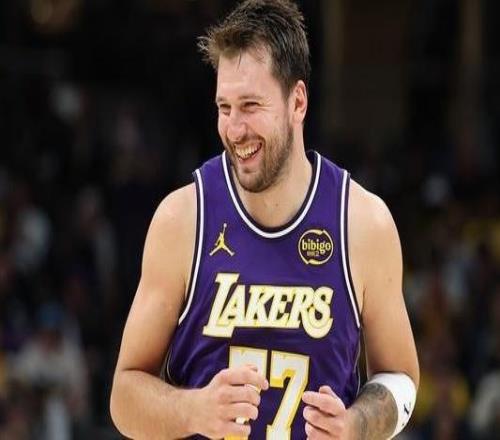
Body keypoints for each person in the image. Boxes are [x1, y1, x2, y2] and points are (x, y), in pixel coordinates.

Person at [110, 0, 419, 438]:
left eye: (251, 105)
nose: (235, 129)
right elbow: (123, 396)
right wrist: (192, 410)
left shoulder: (363, 223)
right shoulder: (182, 219)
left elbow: (401, 380)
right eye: (224, 108)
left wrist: (356, 425)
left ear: (298, 102)